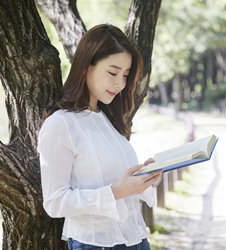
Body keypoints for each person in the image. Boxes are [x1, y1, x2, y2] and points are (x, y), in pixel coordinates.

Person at [37, 24, 162, 250]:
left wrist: (143, 178)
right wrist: (116, 192)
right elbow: (54, 202)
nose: (120, 84)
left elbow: (118, 182)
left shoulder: (108, 120)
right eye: (112, 73)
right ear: (86, 66)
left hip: (136, 240)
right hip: (97, 244)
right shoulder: (61, 124)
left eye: (125, 75)